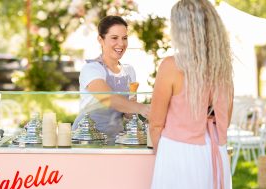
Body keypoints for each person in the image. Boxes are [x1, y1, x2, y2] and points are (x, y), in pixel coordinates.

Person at [149, 0, 233, 188]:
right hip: (216, 152)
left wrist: (165, 155)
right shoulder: (223, 68)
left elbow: (155, 124)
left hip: (179, 152)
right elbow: (225, 117)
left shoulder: (172, 66)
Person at [72, 15, 150, 144]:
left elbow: (128, 114)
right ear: (100, 40)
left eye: (124, 38)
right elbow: (107, 97)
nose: (121, 44)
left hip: (116, 139)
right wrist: (142, 108)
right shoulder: (92, 69)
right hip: (87, 138)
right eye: (114, 38)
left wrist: (135, 113)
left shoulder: (129, 71)